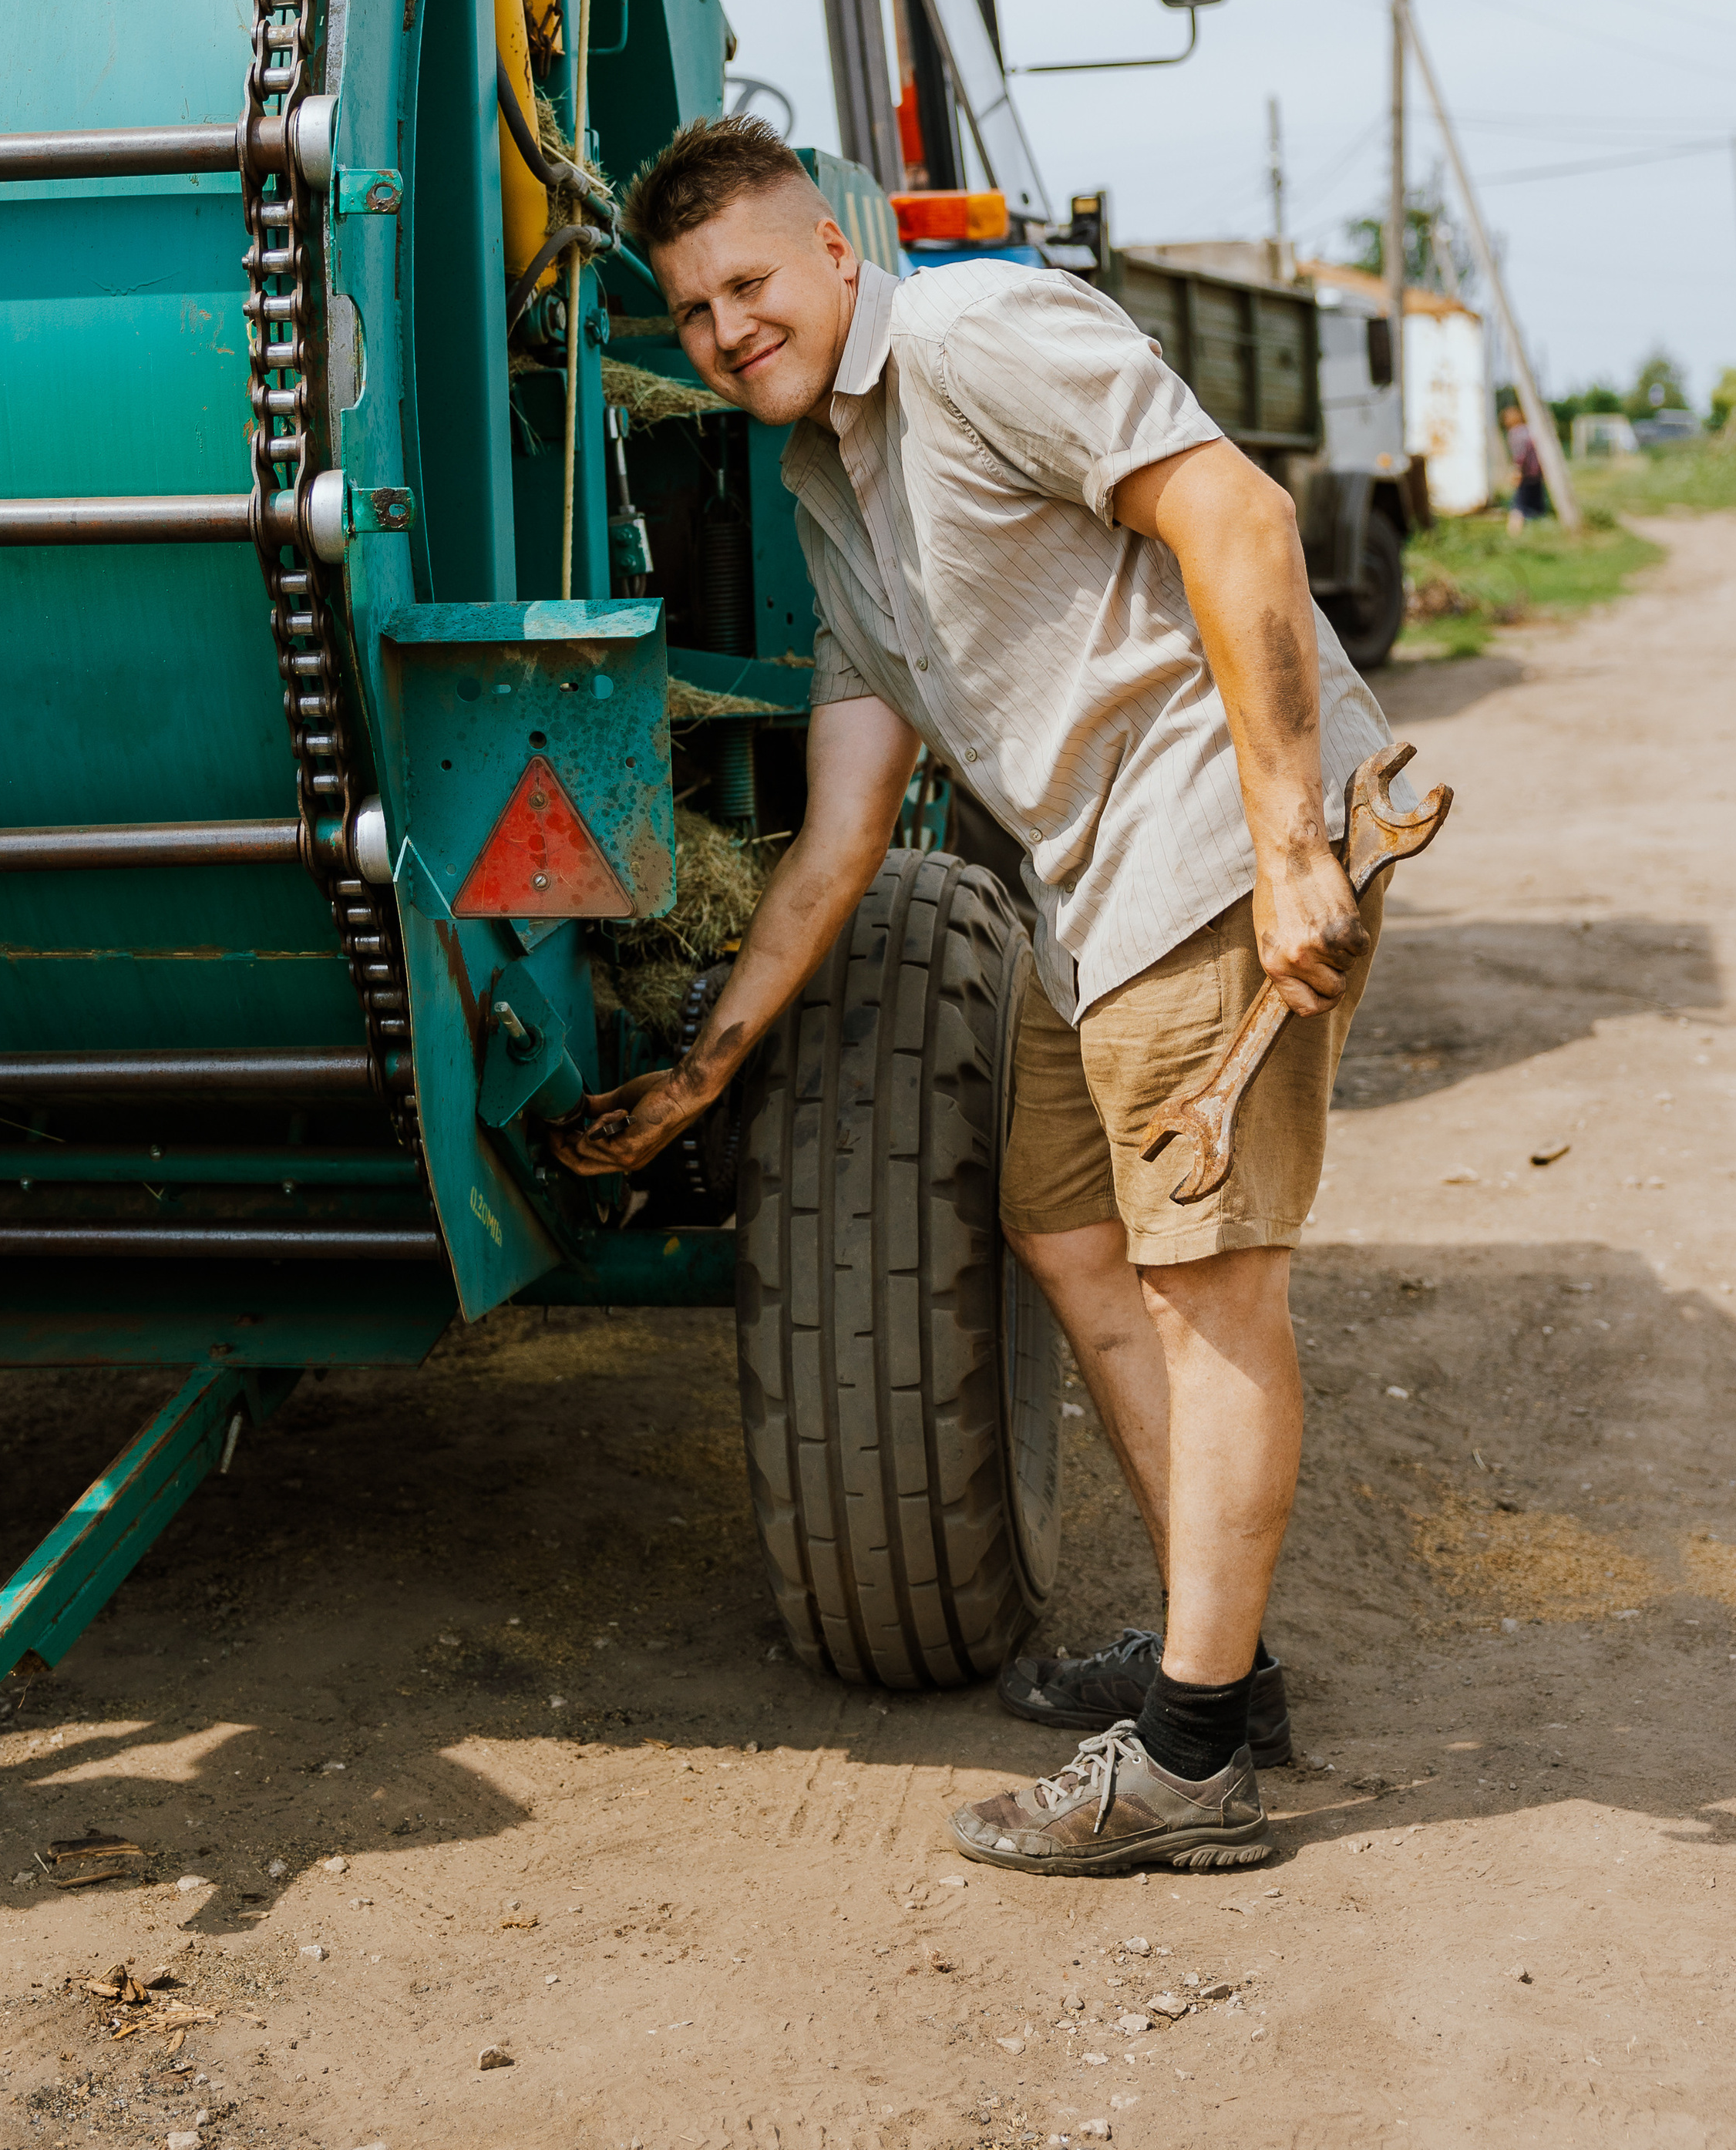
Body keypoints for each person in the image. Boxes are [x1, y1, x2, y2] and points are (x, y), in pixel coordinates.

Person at [550, 119, 1395, 1876]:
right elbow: (843, 828)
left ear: (834, 254)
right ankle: (1213, 1663)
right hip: (1085, 892)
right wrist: (705, 1070)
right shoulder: (824, 491)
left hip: (1207, 841)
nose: (725, 328)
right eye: (695, 309)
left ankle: (1185, 1762)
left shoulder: (973, 335)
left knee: (1203, 1292)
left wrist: (1290, 831)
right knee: (1073, 1241)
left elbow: (1232, 508)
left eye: (751, 282)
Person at [1502, 401, 1547, 538]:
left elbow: (1520, 455)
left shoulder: (1515, 433)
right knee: (1537, 505)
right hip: (1537, 472)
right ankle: (1540, 534)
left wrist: (1516, 471)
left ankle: (1513, 534)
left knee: (1519, 504)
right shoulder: (1529, 430)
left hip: (1526, 473)